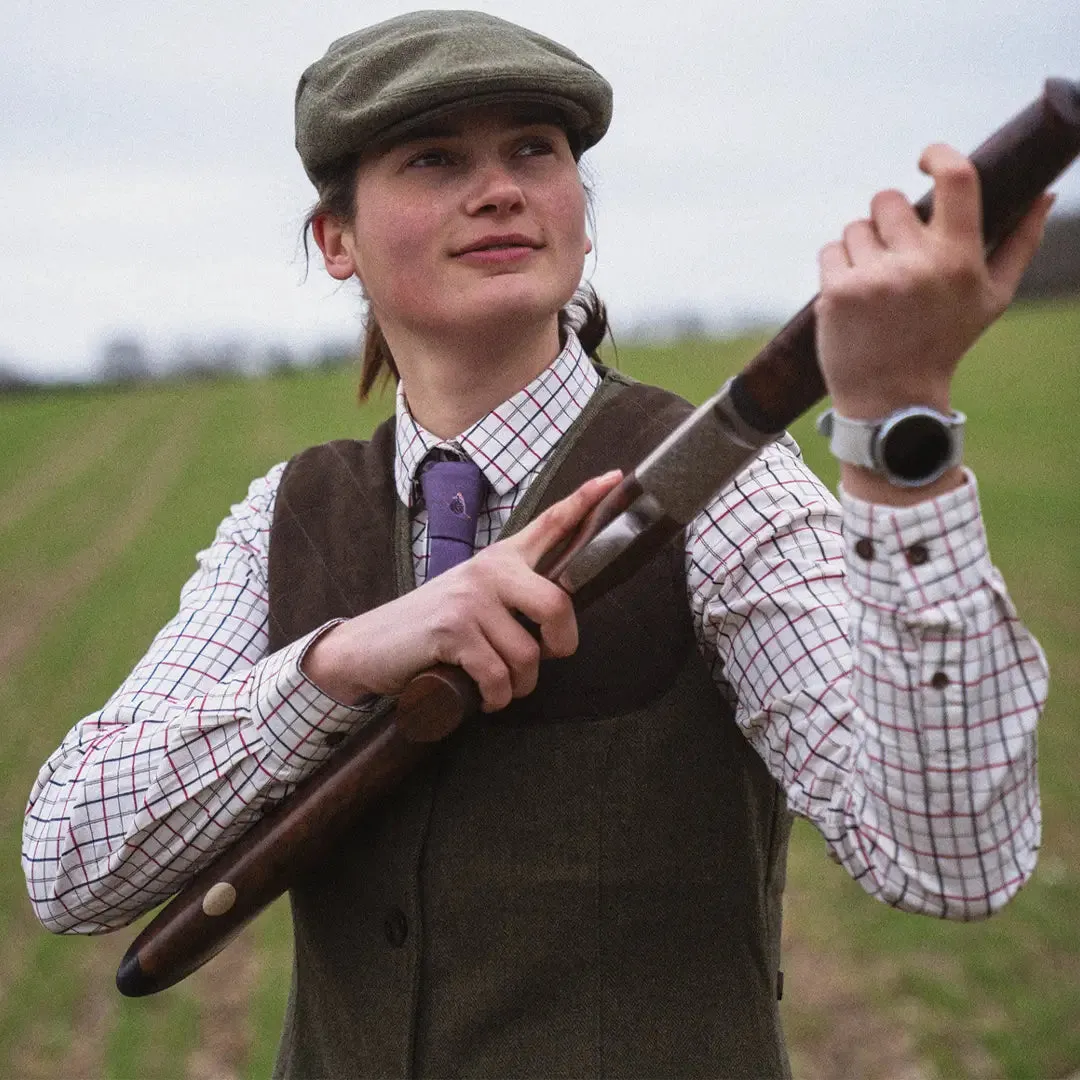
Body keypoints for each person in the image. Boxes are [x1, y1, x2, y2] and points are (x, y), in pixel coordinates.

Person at [22, 10, 1050, 1078]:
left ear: (581, 213)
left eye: (533, 150)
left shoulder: (727, 493)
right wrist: (336, 665)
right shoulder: (281, 517)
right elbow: (69, 867)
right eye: (433, 158)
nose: (501, 188)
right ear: (336, 240)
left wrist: (898, 431)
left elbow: (951, 864)